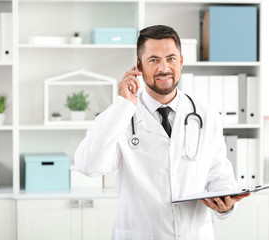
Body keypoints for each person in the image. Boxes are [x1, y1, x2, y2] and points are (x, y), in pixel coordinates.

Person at [74, 25, 250, 240]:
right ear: (139, 66)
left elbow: (219, 174)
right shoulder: (120, 116)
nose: (164, 68)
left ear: (181, 61)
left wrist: (225, 203)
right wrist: (123, 106)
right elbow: (88, 166)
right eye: (154, 60)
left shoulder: (206, 115)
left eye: (171, 58)